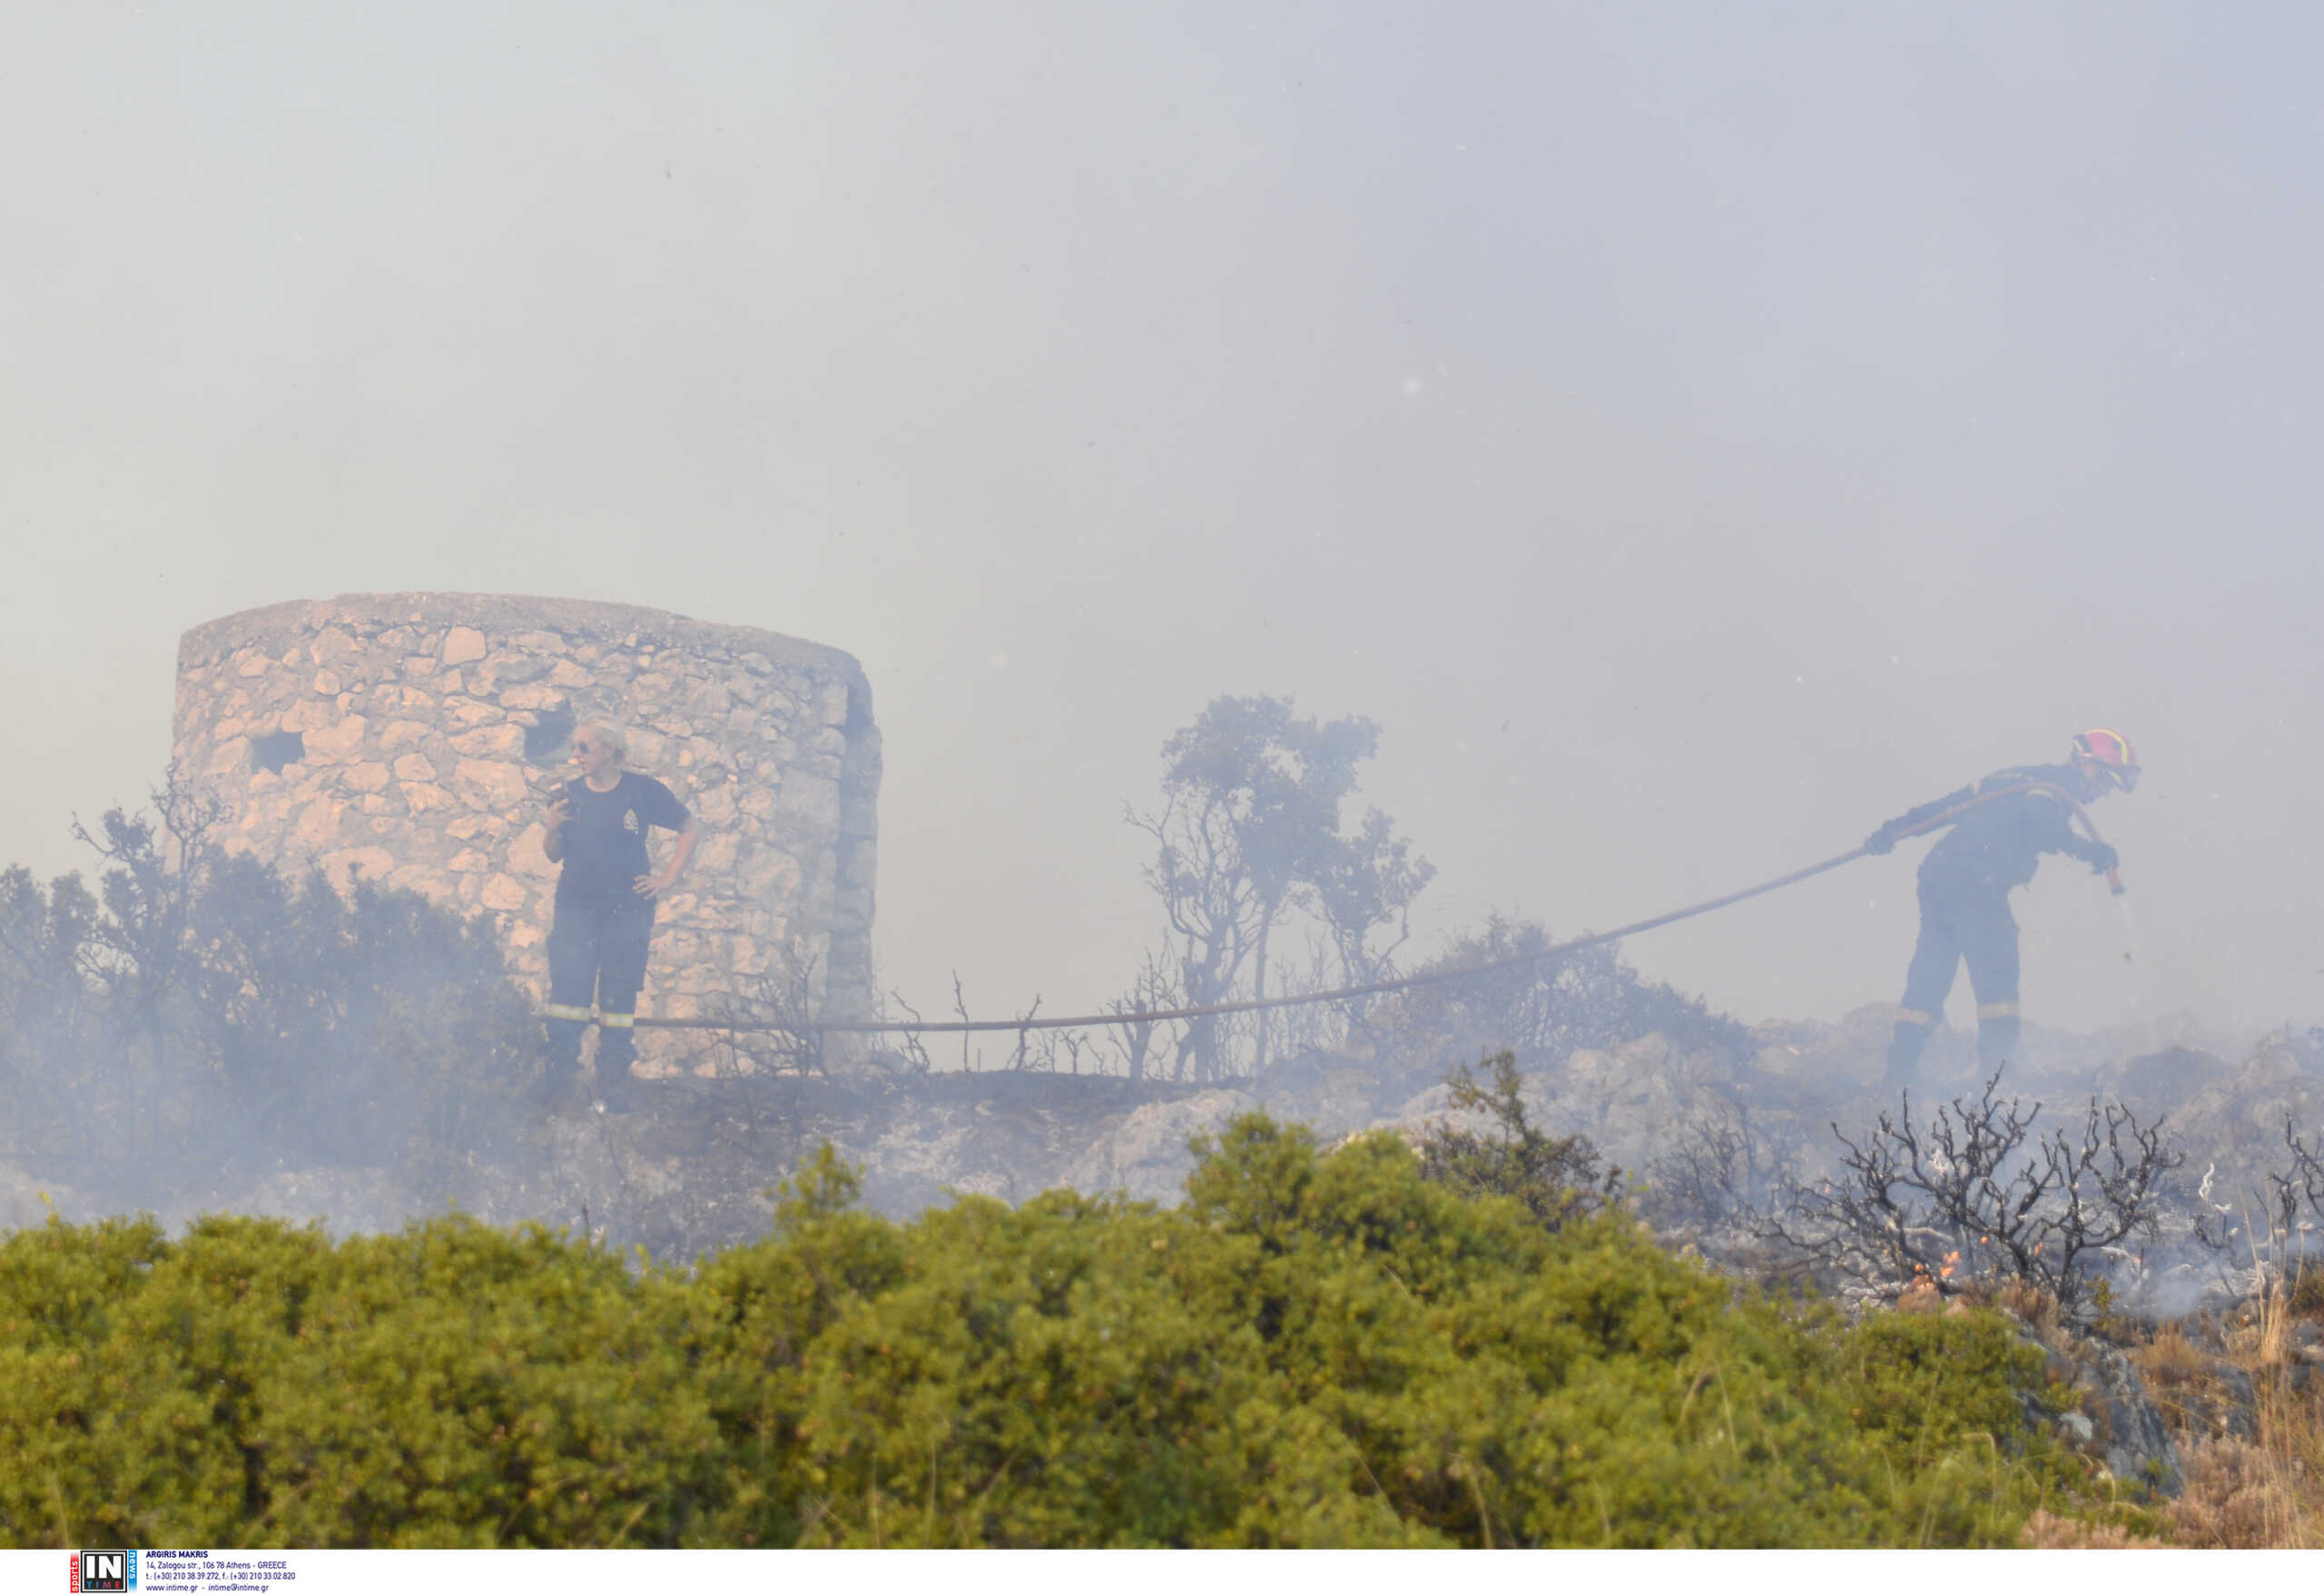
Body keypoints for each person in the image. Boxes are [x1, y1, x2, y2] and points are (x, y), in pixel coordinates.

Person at [1864, 728, 2139, 1085]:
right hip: (1977, 883)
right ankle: (1998, 1080)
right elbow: (2039, 827)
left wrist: (1893, 830)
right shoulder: (2052, 790)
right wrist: (2090, 851)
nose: (2103, 794)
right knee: (1998, 975)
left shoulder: (2014, 777)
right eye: (2106, 782)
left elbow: (1948, 808)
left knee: (1932, 969)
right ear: (2088, 766)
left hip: (1939, 875)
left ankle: (1901, 1071)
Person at [540, 722, 701, 1110]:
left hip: (627, 908)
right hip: (576, 905)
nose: (575, 756)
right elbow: (552, 853)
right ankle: (559, 1077)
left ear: (609, 750)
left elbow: (691, 826)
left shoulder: (641, 791)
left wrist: (667, 877)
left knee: (619, 990)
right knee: (569, 990)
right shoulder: (569, 795)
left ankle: (613, 1080)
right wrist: (552, 826)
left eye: (583, 748)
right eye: (574, 748)